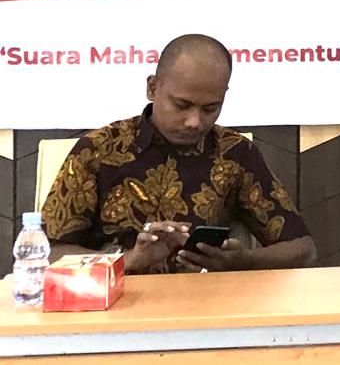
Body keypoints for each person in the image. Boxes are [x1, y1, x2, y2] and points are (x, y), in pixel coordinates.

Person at [41, 34, 316, 273]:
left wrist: (241, 261)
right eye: (182, 105)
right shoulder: (99, 150)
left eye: (210, 108)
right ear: (152, 88)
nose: (194, 121)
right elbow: (47, 252)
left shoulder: (235, 153)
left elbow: (303, 249)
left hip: (209, 306)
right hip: (113, 305)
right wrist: (128, 260)